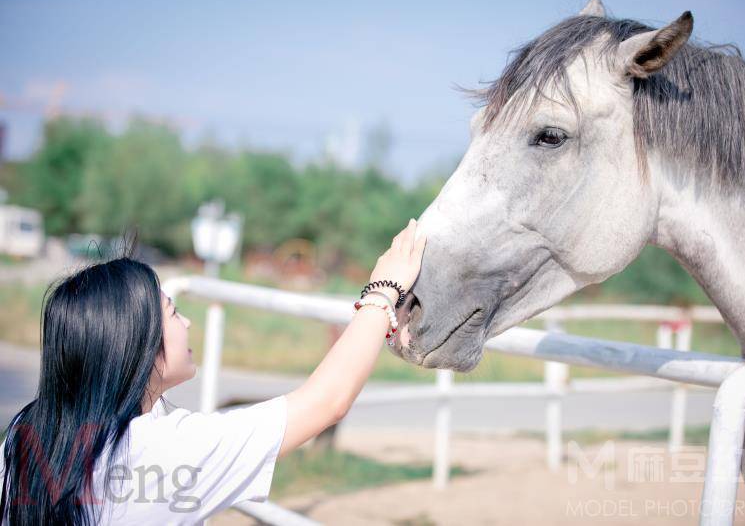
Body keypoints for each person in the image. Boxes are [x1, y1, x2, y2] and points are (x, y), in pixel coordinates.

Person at [0, 219, 426, 525]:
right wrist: (384, 289)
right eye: (173, 312)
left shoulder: (26, 433)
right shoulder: (166, 448)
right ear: (137, 346)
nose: (186, 324)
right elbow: (326, 402)